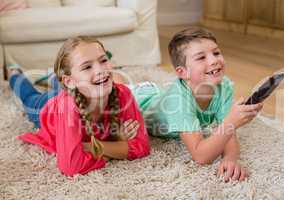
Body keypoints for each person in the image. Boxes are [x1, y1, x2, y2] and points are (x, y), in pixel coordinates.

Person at [130, 27, 263, 182]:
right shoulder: (177, 100)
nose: (214, 60)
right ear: (183, 72)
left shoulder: (223, 85)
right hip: (138, 100)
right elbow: (200, 156)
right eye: (201, 58)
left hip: (157, 94)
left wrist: (230, 159)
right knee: (117, 88)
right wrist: (231, 121)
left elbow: (228, 132)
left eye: (216, 53)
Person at [7, 36, 150, 176]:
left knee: (67, 86)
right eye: (87, 66)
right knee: (29, 97)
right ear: (69, 81)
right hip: (47, 106)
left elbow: (142, 147)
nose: (100, 70)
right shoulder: (67, 106)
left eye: (103, 60)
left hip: (76, 88)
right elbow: (71, 166)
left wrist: (95, 147)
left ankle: (53, 77)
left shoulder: (123, 94)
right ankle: (14, 74)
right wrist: (117, 145)